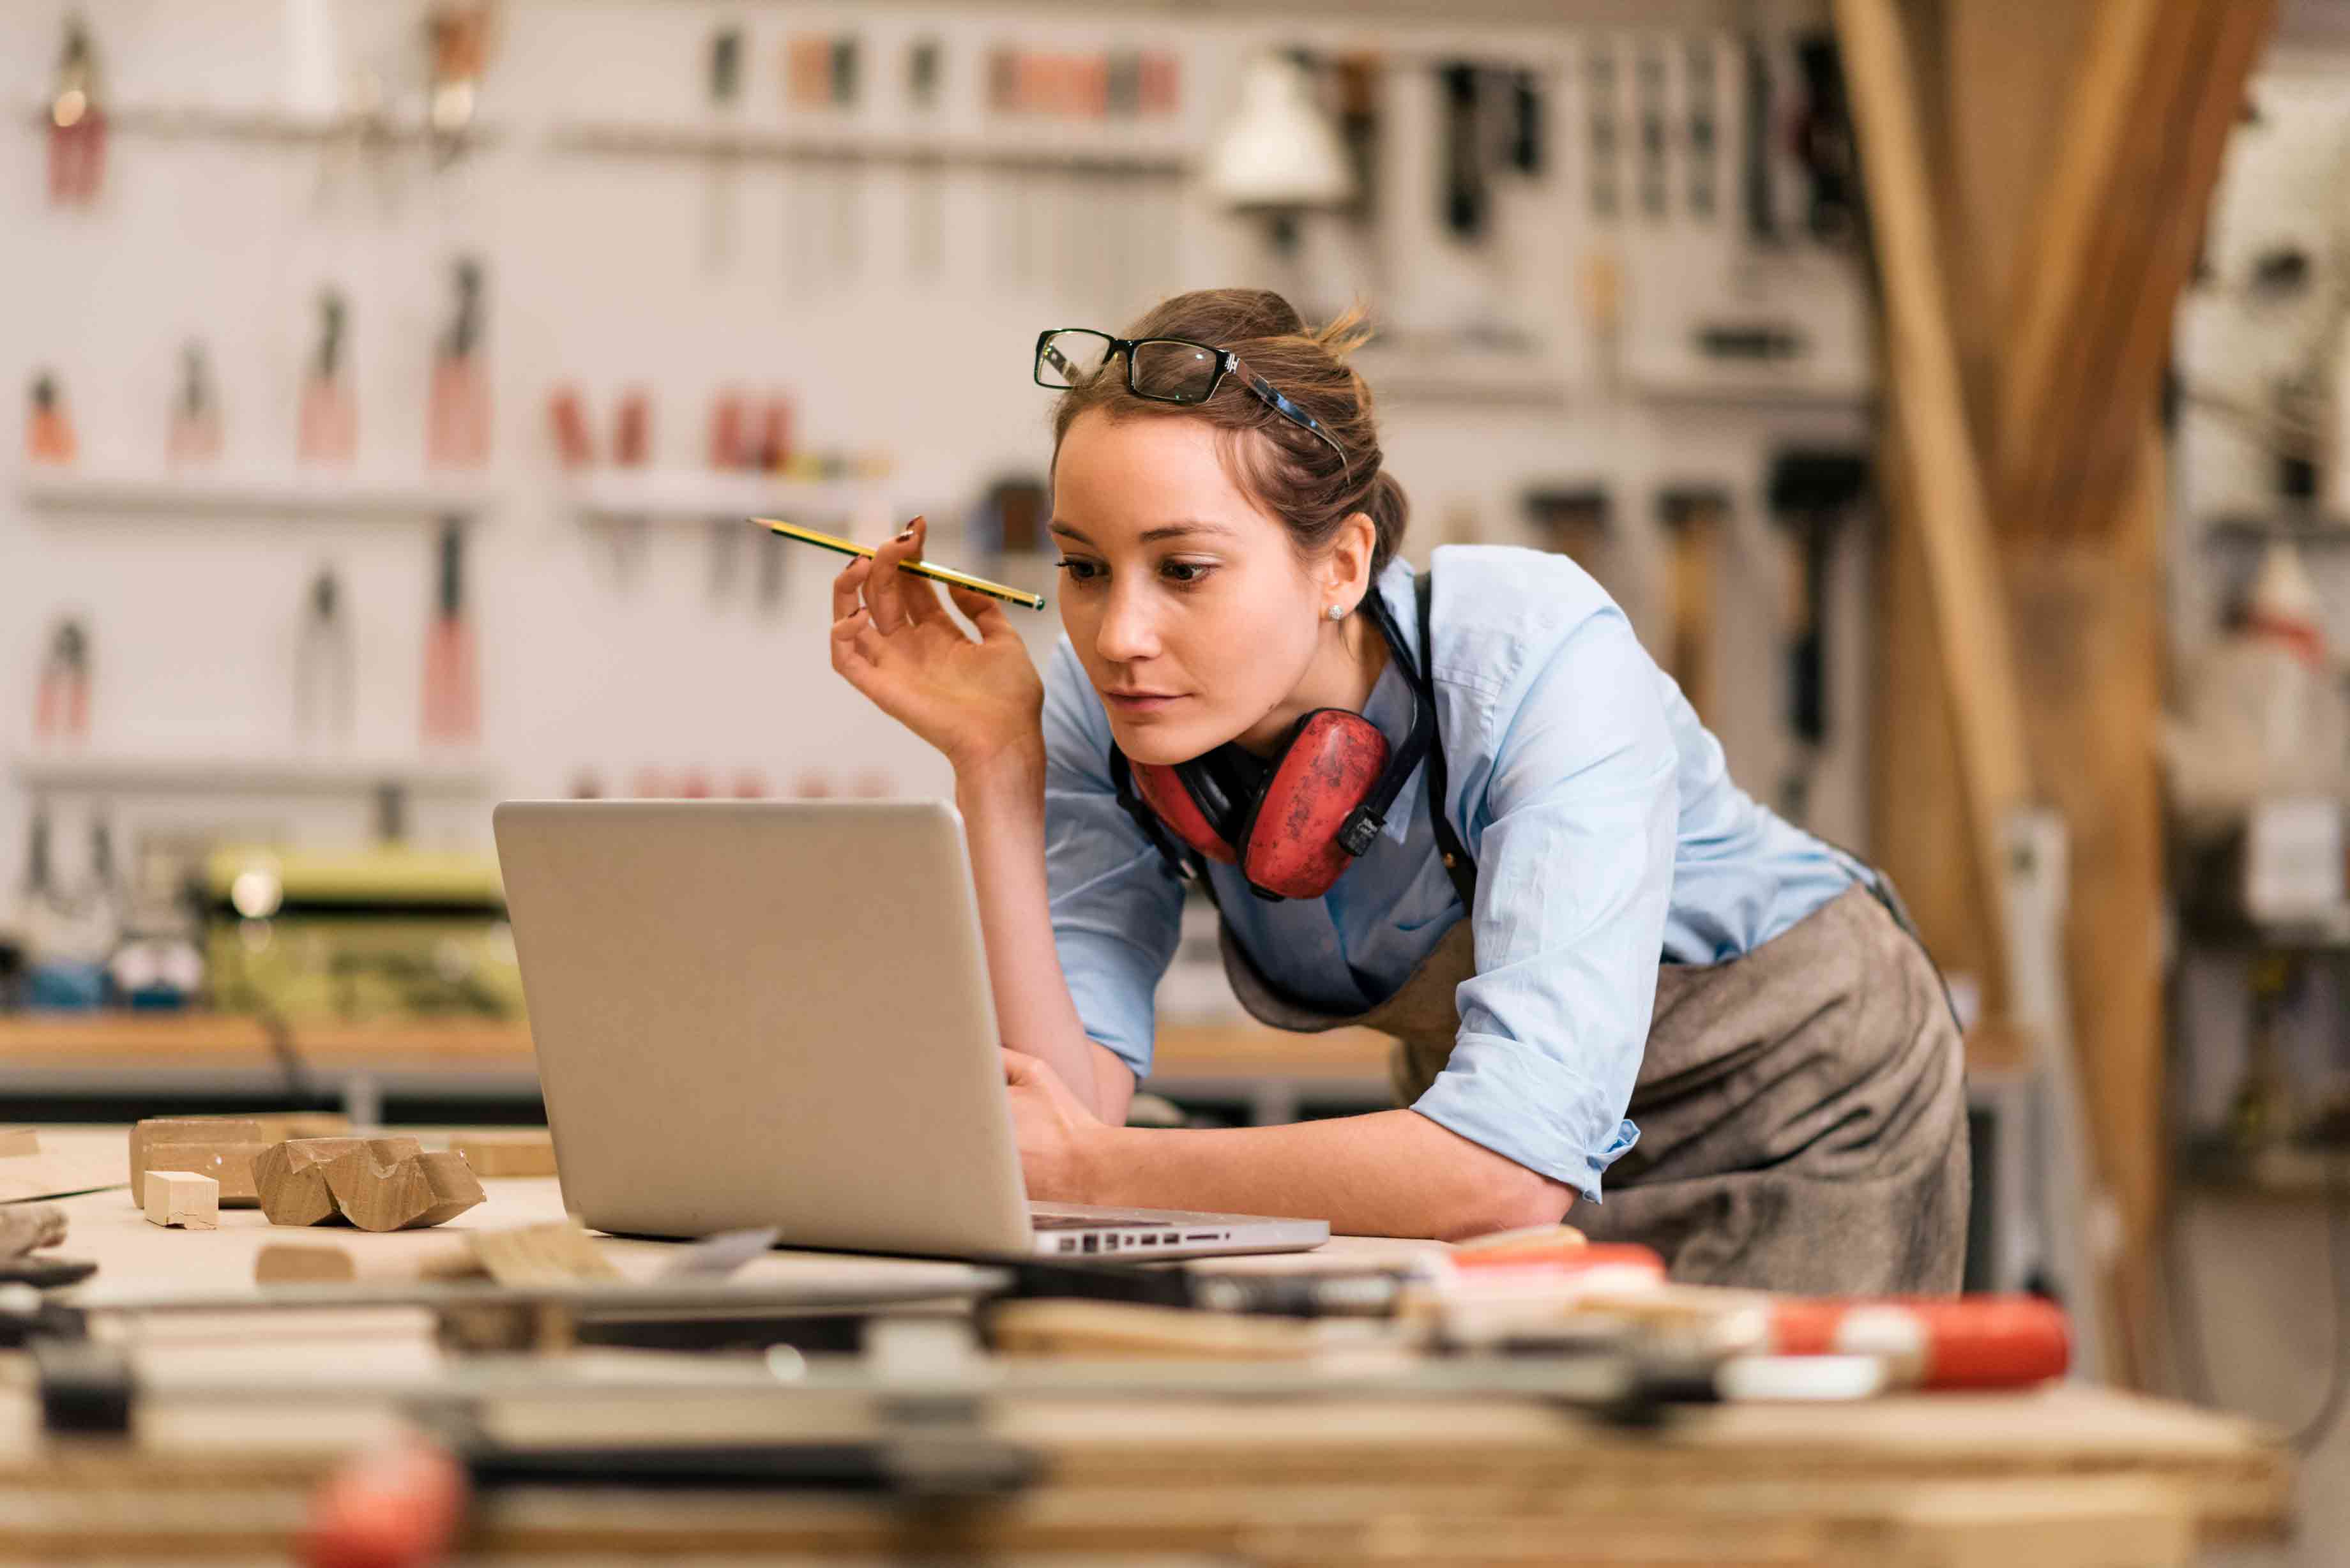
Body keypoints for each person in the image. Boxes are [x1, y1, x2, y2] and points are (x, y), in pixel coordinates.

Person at [828, 288, 1967, 1292]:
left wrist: (1104, 1169)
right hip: (1477, 1154)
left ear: (1342, 564)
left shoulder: (1532, 655)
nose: (1120, 634)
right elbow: (1062, 1119)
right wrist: (998, 770)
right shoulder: (1101, 709)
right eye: (1083, 567)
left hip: (1795, 1098)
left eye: (1185, 570)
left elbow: (1510, 1168)